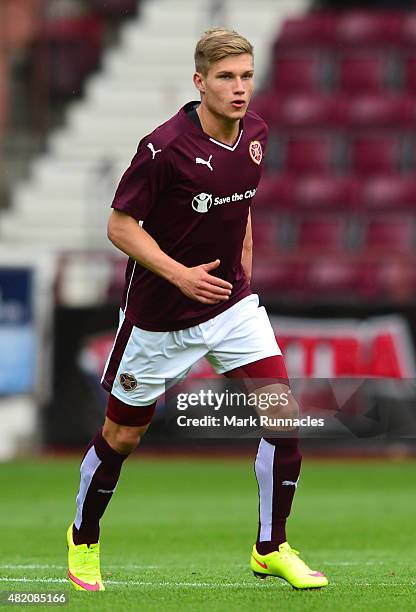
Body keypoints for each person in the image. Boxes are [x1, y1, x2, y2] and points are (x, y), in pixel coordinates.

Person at [66, 27, 328, 592]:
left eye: (246, 76)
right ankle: (83, 540)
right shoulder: (163, 148)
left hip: (231, 307)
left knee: (283, 419)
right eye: (226, 78)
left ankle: (271, 546)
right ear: (199, 82)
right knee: (121, 438)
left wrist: (245, 256)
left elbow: (243, 199)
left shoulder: (256, 133)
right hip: (158, 320)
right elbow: (119, 225)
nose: (240, 89)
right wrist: (180, 275)